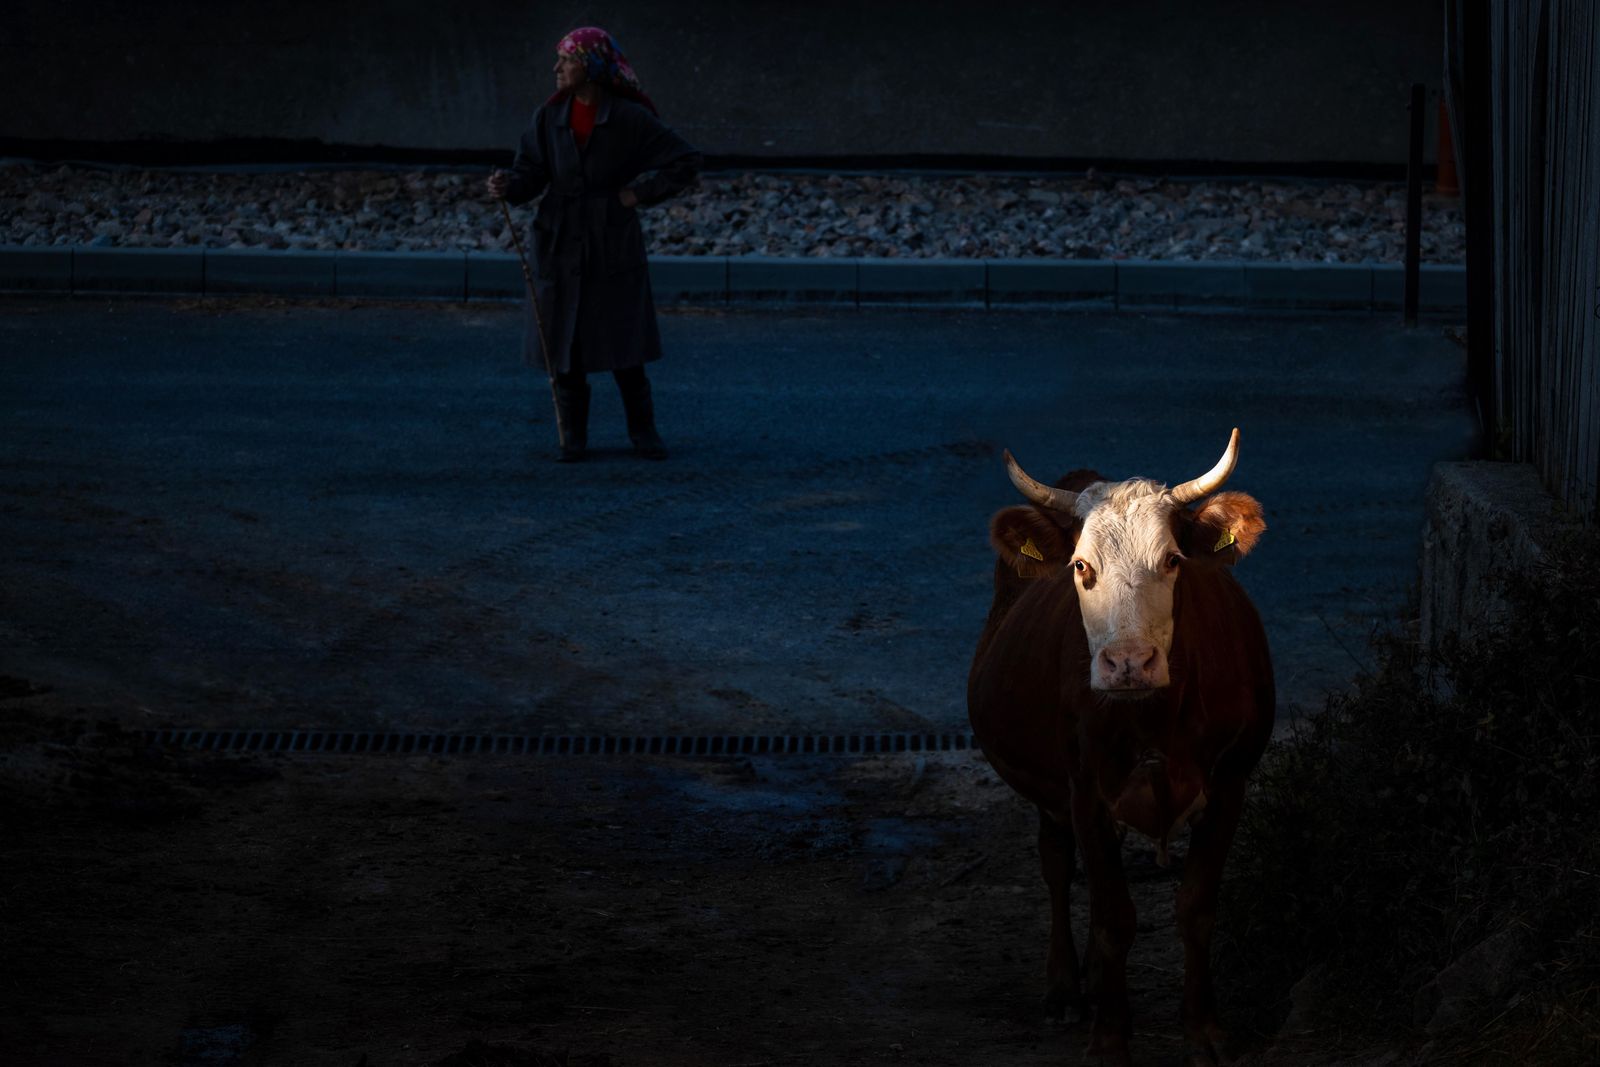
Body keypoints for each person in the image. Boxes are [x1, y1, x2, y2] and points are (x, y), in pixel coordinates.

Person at [487, 27, 701, 462]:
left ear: (591, 66)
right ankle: (574, 435)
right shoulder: (548, 118)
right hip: (559, 236)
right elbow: (531, 174)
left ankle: (643, 432)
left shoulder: (629, 119)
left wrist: (637, 194)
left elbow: (685, 161)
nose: (557, 69)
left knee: (623, 335)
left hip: (611, 237)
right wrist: (509, 185)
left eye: (566, 60)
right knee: (563, 337)